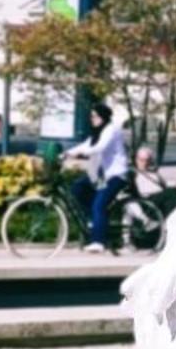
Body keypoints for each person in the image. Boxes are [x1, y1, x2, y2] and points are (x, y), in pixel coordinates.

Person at [63, 102, 129, 254]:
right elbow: (85, 145)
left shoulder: (112, 130)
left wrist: (77, 154)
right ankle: (94, 221)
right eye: (91, 116)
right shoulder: (98, 133)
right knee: (77, 188)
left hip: (116, 175)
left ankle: (99, 241)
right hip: (103, 175)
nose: (92, 119)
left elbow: (99, 147)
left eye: (95, 116)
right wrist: (66, 153)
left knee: (99, 205)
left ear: (103, 117)